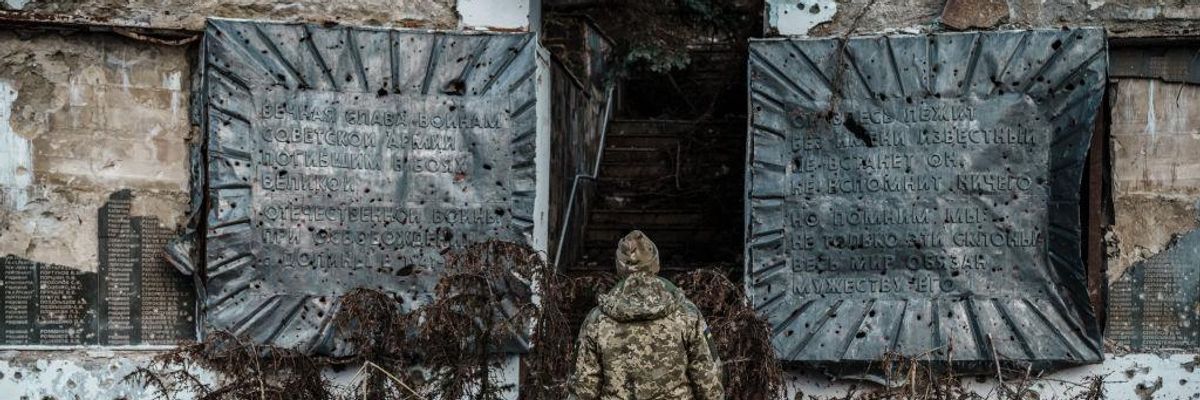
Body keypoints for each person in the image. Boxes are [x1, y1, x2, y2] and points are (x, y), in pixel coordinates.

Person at [568, 230, 724, 400]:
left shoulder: (597, 320)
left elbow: (582, 388)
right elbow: (709, 382)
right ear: (655, 263)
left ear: (619, 266)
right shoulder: (687, 314)